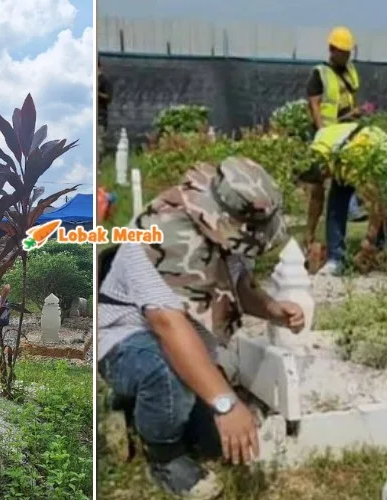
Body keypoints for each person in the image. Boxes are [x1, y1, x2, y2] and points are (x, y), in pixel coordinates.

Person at [97, 157, 306, 499]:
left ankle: (134, 412)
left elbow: (239, 287)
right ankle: (165, 456)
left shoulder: (226, 233)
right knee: (166, 372)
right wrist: (225, 403)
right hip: (123, 339)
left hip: (178, 338)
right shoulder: (154, 240)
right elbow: (169, 327)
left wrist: (276, 311)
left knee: (214, 442)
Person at [302, 26, 368, 261]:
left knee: (342, 183)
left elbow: (350, 99)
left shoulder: (351, 72)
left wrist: (355, 114)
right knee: (318, 189)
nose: (347, 56)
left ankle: (337, 236)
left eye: (349, 52)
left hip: (345, 134)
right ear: (332, 50)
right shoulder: (319, 73)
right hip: (325, 138)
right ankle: (308, 235)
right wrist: (321, 134)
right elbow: (315, 105)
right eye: (343, 52)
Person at [309, 122, 387, 275]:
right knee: (336, 202)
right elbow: (317, 197)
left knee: (385, 207)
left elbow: (377, 203)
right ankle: (336, 259)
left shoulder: (357, 164)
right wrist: (309, 233)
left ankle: (381, 251)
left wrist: (369, 238)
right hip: (342, 147)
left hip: (373, 147)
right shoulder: (318, 156)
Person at [97, 57, 113, 165]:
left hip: (100, 118)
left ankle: (98, 169)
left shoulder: (104, 80)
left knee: (98, 145)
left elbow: (109, 98)